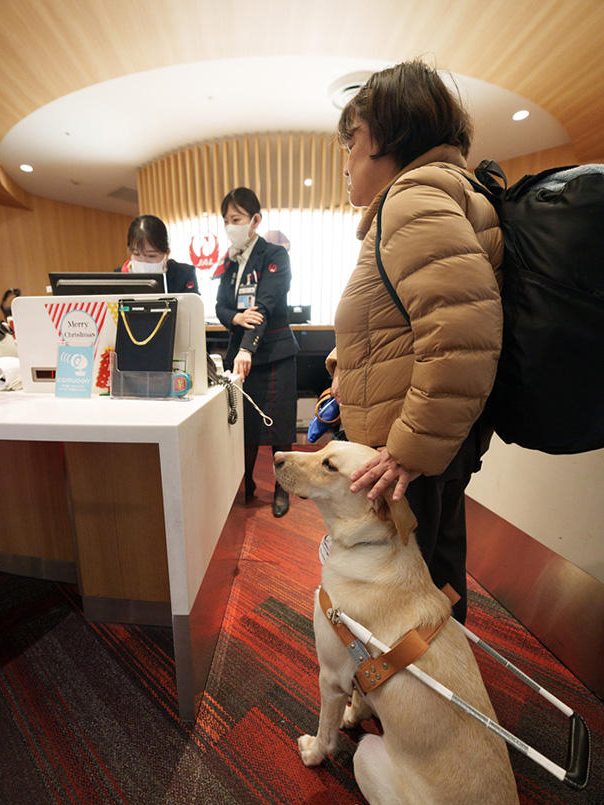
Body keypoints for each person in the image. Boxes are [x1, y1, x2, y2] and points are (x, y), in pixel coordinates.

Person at [328, 60, 504, 623]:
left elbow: (461, 335)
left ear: (388, 137)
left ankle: (418, 706)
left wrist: (408, 450)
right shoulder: (434, 197)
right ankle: (427, 701)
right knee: (434, 591)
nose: (346, 159)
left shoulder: (413, 201)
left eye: (351, 141)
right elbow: (412, 323)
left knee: (409, 603)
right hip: (421, 452)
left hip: (406, 460)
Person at [215, 187, 298, 517]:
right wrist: (235, 317)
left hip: (272, 353)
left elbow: (265, 305)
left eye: (236, 219)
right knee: (244, 425)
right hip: (241, 356)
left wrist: (247, 346)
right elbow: (221, 306)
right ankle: (245, 482)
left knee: (279, 428)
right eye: (226, 220)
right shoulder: (231, 261)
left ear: (255, 220)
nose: (230, 226)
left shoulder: (275, 255)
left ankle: (283, 486)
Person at [118, 214, 199, 294]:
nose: (143, 261)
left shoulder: (183, 274)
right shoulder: (117, 278)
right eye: (136, 254)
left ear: (166, 253)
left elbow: (193, 305)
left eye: (151, 256)